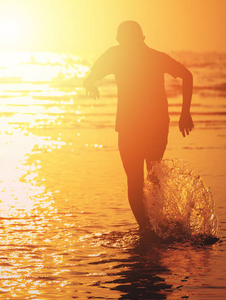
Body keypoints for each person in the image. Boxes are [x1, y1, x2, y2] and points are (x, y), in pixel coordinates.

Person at [84, 20, 193, 234]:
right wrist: (184, 113)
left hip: (135, 126)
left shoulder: (116, 55)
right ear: (141, 38)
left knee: (139, 181)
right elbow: (187, 76)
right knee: (150, 178)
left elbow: (90, 77)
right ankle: (150, 227)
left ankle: (147, 228)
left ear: (123, 39)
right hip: (152, 125)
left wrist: (90, 84)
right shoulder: (153, 57)